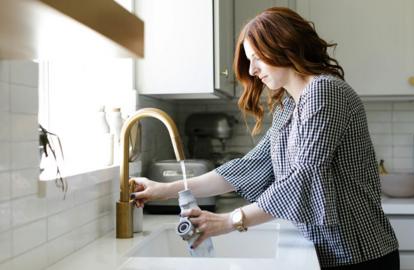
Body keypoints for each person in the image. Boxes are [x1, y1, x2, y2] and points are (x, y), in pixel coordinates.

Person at [130, 7, 399, 269]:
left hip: (360, 253)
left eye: (257, 57)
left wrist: (229, 220)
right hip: (327, 251)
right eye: (250, 60)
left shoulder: (324, 91)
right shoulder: (289, 106)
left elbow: (304, 178)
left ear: (284, 45)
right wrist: (162, 189)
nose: (252, 70)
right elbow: (248, 168)